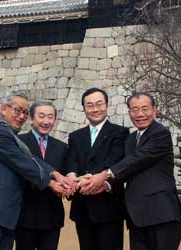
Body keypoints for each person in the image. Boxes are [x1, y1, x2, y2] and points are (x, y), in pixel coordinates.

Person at [0, 92, 76, 250]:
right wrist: (52, 183)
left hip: (6, 216)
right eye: (17, 110)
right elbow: (25, 164)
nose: (21, 116)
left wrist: (57, 174)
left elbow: (30, 158)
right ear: (4, 109)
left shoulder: (12, 136)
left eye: (24, 112)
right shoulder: (0, 132)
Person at [80, 92, 181, 250]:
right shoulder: (130, 139)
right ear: (129, 113)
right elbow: (127, 170)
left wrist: (104, 175)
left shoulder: (160, 133)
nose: (140, 114)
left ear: (155, 110)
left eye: (145, 109)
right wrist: (105, 185)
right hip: (136, 217)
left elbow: (138, 159)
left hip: (161, 214)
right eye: (135, 110)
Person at [66, 87, 129, 250]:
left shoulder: (120, 132)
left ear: (107, 105)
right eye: (90, 105)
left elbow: (115, 161)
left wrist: (88, 178)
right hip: (82, 207)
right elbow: (72, 161)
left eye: (99, 104)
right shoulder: (75, 136)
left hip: (109, 207)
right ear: (84, 108)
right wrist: (72, 175)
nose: (95, 109)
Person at [15, 100, 68, 250]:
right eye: (42, 116)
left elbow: (65, 175)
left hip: (52, 216)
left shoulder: (62, 147)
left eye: (50, 117)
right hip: (25, 216)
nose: (46, 121)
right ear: (31, 119)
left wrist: (69, 184)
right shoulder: (19, 142)